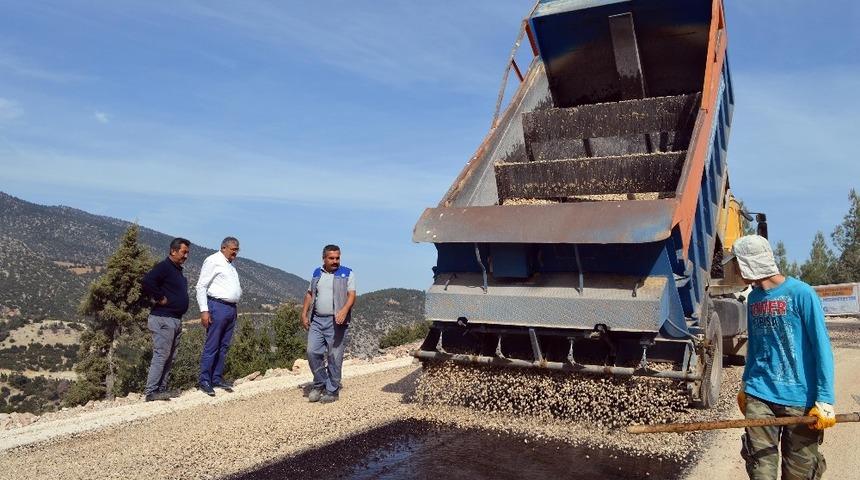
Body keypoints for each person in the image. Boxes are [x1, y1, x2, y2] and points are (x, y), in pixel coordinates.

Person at [728, 235, 835, 480]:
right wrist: (746, 385)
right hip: (760, 395)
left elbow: (821, 347)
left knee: (799, 474)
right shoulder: (754, 299)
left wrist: (825, 399)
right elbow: (755, 346)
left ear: (750, 262)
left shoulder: (801, 294)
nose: (735, 268)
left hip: (800, 401)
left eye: (738, 263)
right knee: (760, 472)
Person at [301, 244, 356, 404]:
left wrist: (344, 310)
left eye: (337, 258)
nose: (335, 261)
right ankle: (320, 383)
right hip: (317, 320)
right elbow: (310, 294)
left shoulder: (347, 273)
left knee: (334, 356)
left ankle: (332, 390)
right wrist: (304, 313)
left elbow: (351, 295)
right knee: (312, 352)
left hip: (336, 321)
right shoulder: (316, 273)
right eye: (331, 258)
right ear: (324, 258)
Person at [141, 238, 191, 402]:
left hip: (174, 319)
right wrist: (160, 297)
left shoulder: (177, 270)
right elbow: (147, 281)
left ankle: (161, 389)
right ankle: (151, 391)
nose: (186, 256)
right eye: (184, 252)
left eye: (187, 252)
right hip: (163, 318)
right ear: (173, 251)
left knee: (171, 356)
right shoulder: (164, 267)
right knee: (161, 355)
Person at [196, 237, 242, 396]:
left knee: (223, 346)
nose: (235, 253)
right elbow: (201, 286)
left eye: (237, 250)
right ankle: (204, 380)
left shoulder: (231, 265)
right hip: (217, 306)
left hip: (230, 308)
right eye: (233, 249)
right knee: (212, 345)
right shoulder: (213, 261)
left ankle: (216, 377)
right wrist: (204, 310)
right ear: (223, 247)